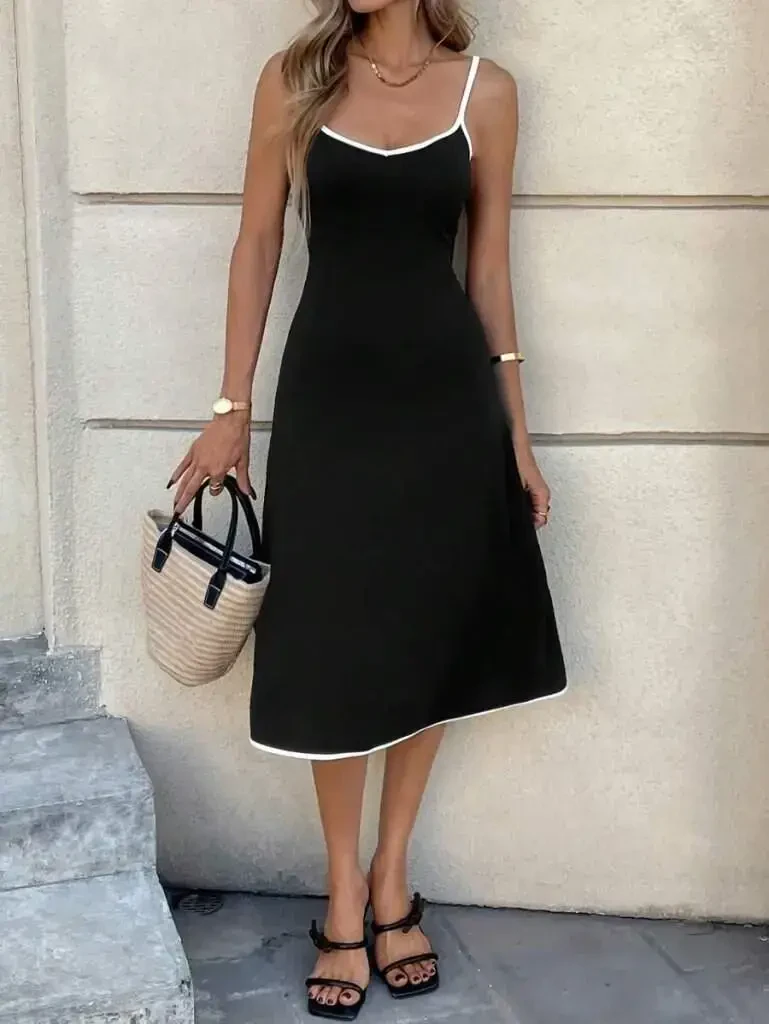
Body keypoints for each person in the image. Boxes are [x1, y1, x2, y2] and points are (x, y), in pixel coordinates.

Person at [168, 0, 567, 1018]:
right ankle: (341, 892)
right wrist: (229, 408)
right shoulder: (293, 78)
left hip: (446, 406)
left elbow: (487, 269)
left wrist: (516, 433)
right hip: (329, 405)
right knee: (335, 644)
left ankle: (392, 878)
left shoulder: (487, 94)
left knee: (427, 634)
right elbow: (258, 239)